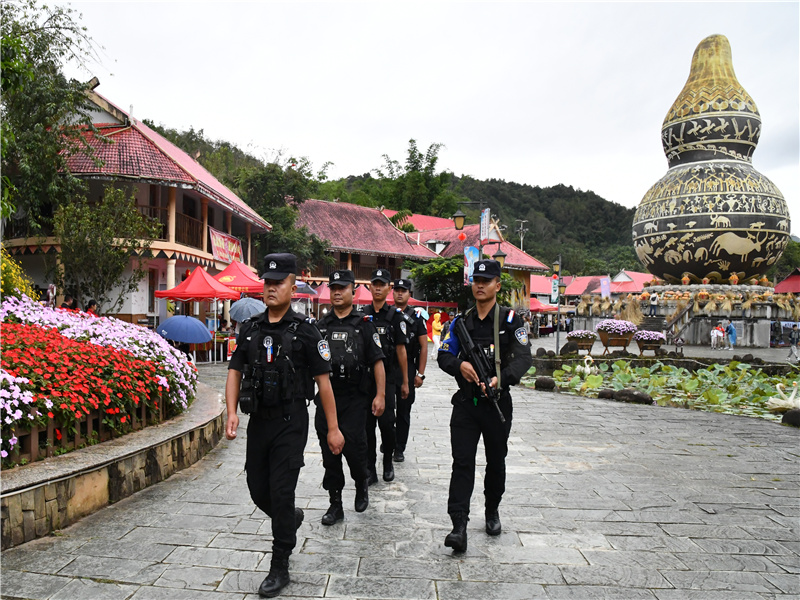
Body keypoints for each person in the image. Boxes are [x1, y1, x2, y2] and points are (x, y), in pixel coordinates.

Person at [225, 253, 344, 598]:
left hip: (291, 422)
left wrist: (333, 429)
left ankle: (280, 564)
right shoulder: (250, 330)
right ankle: (288, 517)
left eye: (279, 282)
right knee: (257, 487)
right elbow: (235, 371)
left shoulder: (307, 332)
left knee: (280, 489)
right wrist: (231, 411)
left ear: (293, 286)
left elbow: (324, 383)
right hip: (258, 422)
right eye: (268, 282)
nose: (271, 288)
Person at [437, 259, 532, 553]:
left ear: (497, 286)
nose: (480, 285)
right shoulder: (460, 322)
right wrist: (460, 365)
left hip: (497, 404)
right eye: (476, 280)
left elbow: (523, 358)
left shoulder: (510, 321)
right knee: (462, 462)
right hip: (466, 404)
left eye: (486, 280)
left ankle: (492, 510)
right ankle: (459, 525)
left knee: (496, 461)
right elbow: (443, 355)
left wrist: (500, 379)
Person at [315, 269, 386, 525]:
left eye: (342, 288)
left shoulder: (364, 325)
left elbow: (377, 361)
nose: (336, 292)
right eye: (333, 288)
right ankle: (335, 505)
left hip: (356, 399)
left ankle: (361, 484)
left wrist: (380, 394)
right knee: (329, 455)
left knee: (355, 450)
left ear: (353, 291)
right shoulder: (320, 327)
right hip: (326, 399)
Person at [361, 268, 410, 484]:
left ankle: (388, 462)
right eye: (375, 283)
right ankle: (370, 467)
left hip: (389, 378)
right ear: (370, 287)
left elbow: (401, 350)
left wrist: (406, 381)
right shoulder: (362, 315)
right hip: (366, 379)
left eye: (382, 284)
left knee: (388, 424)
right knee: (367, 426)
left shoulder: (395, 316)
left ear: (388, 288)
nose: (378, 287)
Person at [391, 278, 428, 463]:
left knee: (404, 411)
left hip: (409, 367)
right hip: (389, 367)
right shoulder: (387, 314)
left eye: (403, 290)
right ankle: (389, 440)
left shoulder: (417, 317)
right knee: (387, 410)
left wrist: (420, 374)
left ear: (409, 294)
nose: (399, 293)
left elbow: (423, 346)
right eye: (396, 289)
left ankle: (399, 448)